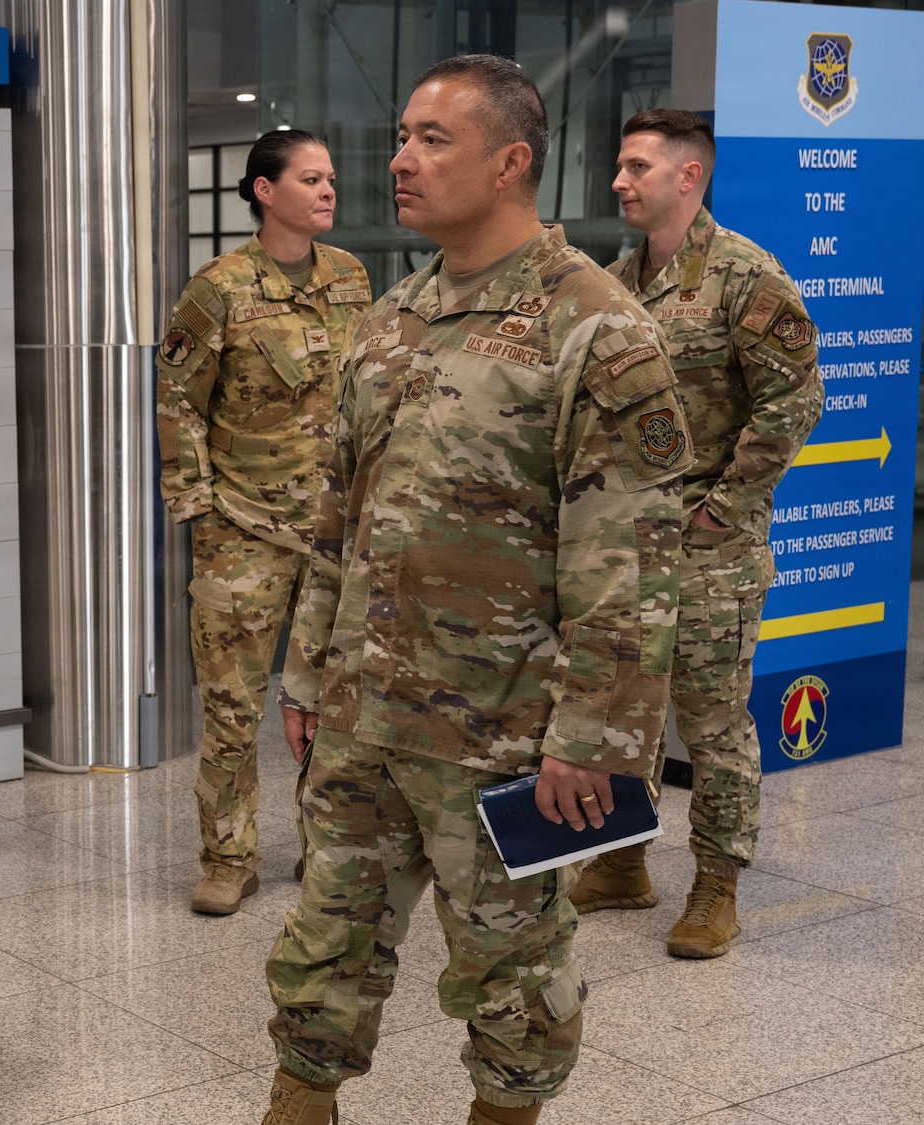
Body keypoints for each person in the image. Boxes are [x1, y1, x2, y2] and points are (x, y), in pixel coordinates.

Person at [260, 56, 693, 1125]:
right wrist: (308, 674)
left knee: (510, 977)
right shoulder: (391, 318)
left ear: (509, 162)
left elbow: (627, 564)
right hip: (364, 716)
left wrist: (591, 740)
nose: (398, 160)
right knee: (323, 943)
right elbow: (337, 520)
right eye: (400, 136)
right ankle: (294, 1104)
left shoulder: (593, 328)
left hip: (506, 737)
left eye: (429, 139)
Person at [575, 109, 821, 957]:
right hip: (628, 550)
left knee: (712, 725)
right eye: (619, 164)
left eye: (636, 165)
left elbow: (795, 400)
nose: (619, 181)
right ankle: (623, 862)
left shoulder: (746, 275)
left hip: (711, 551)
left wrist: (725, 508)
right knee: (626, 716)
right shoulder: (616, 281)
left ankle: (717, 884)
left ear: (689, 176)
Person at [154, 129, 375, 914]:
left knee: (333, 701)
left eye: (330, 179)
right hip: (242, 531)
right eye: (310, 178)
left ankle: (323, 848)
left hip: (333, 533)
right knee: (232, 706)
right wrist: (198, 507)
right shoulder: (219, 288)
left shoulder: (351, 278)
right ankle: (228, 855)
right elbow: (178, 397)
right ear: (263, 190)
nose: (327, 191)